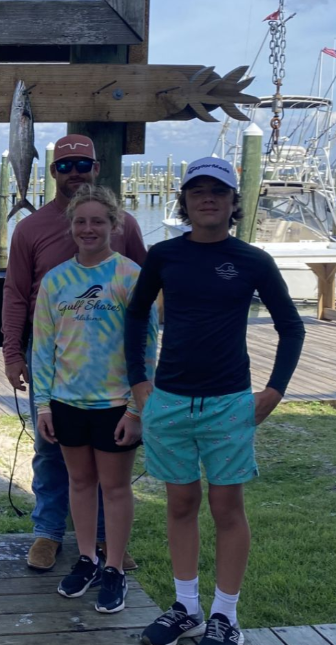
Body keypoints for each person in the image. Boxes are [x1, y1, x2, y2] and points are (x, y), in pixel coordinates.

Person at [126, 157, 305, 645]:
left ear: (233, 202)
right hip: (169, 401)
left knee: (227, 506)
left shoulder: (252, 261)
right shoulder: (164, 256)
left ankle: (225, 615)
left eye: (219, 191)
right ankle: (187, 608)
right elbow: (136, 314)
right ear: (183, 202)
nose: (208, 198)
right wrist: (139, 383)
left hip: (229, 401)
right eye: (197, 191)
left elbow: (291, 326)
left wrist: (275, 390)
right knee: (180, 502)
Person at [2, 134, 148, 572]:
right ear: (53, 173)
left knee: (111, 458)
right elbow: (15, 295)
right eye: (65, 167)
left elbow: (148, 297)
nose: (75, 173)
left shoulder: (127, 227)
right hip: (53, 360)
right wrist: (13, 354)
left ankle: (106, 541)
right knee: (50, 450)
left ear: (96, 167)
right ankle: (47, 533)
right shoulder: (29, 228)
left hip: (113, 369)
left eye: (82, 164)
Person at [31, 185, 157, 614]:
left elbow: (149, 345)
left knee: (116, 488)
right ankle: (87, 558)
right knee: (79, 484)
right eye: (80, 221)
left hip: (117, 404)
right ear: (71, 227)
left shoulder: (129, 276)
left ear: (114, 225)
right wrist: (44, 404)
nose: (88, 229)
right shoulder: (55, 281)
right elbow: (43, 346)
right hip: (67, 402)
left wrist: (138, 407)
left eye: (97, 221)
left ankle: (115, 568)